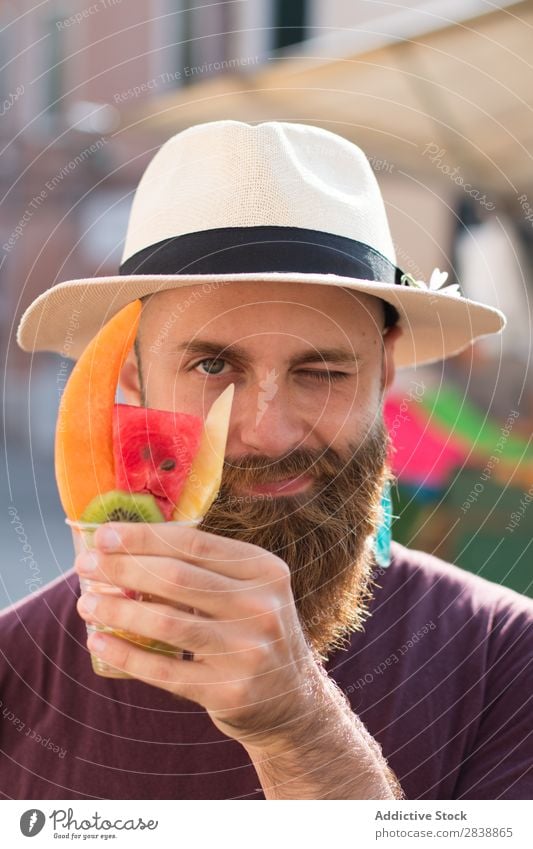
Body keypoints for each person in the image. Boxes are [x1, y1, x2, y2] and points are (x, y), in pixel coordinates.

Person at [4, 121, 531, 800]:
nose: (271, 430)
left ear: (384, 373)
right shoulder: (13, 671)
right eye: (213, 364)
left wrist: (301, 728)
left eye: (323, 371)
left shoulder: (509, 663)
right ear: (130, 379)